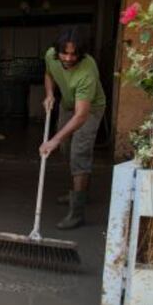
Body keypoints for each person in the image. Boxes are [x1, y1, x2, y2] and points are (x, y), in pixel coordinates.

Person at [40, 28, 106, 229]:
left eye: (73, 54)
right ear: (57, 50)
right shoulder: (51, 55)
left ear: (81, 53)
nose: (68, 58)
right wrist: (50, 94)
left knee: (78, 153)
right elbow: (49, 74)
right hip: (68, 105)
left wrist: (54, 139)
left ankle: (77, 213)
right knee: (67, 150)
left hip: (90, 109)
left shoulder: (87, 71)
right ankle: (81, 191)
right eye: (65, 53)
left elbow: (81, 116)